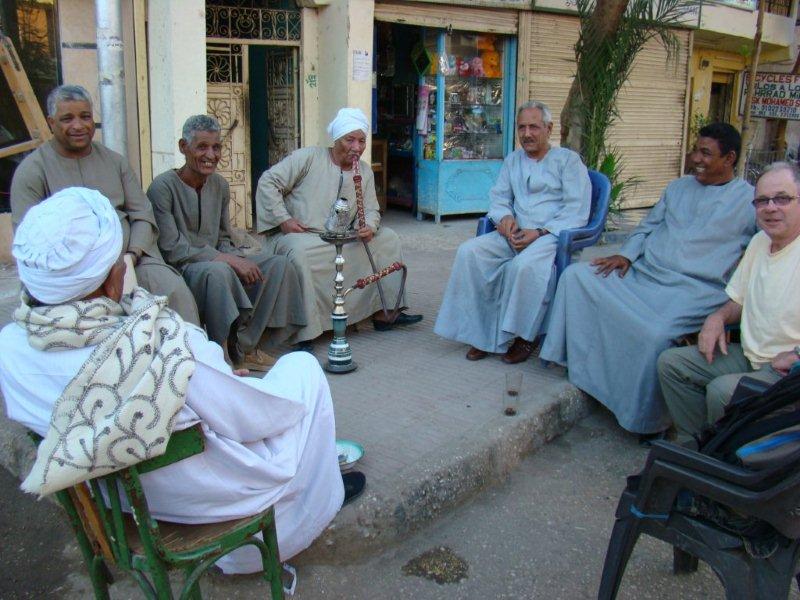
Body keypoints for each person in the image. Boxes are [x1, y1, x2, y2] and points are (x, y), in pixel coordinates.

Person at [0, 187, 361, 574]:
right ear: (111, 283)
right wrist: (230, 386)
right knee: (302, 370)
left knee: (239, 396)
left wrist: (219, 386)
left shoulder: (10, 348)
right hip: (211, 495)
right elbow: (255, 420)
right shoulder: (165, 347)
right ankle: (314, 500)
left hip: (120, 498)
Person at [539, 122, 757, 435]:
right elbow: (647, 227)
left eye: (705, 153)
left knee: (655, 334)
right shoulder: (678, 187)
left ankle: (640, 418)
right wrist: (626, 255)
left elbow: (767, 246)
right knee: (577, 277)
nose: (695, 157)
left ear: (730, 158)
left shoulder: (749, 202)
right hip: (644, 274)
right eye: (696, 149)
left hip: (694, 290)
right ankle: (581, 369)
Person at [9, 84, 199, 324]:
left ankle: (192, 358)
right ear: (51, 122)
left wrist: (131, 255)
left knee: (173, 289)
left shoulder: (115, 162)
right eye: (67, 118)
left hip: (130, 261)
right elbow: (30, 238)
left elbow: (142, 214)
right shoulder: (33, 170)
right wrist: (78, 272)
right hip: (69, 274)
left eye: (85, 117)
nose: (78, 125)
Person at [434, 100, 591, 364]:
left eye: (534, 127)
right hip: (513, 234)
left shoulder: (568, 161)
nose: (527, 134)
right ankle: (481, 334)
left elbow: (577, 209)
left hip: (549, 236)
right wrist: (504, 218)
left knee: (523, 268)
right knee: (469, 253)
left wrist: (540, 232)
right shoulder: (513, 160)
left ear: (549, 128)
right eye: (522, 128)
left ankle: (524, 336)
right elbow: (499, 197)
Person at [147, 115, 306, 369]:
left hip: (215, 261)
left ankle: (245, 345)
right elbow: (172, 248)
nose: (211, 154)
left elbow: (222, 236)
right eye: (202, 147)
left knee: (278, 265)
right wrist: (227, 260)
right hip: (182, 268)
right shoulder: (162, 188)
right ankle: (220, 355)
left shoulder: (219, 185)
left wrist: (236, 258)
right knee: (220, 271)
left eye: (216, 147)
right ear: (183, 147)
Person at [658, 162, 800, 441]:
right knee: (672, 365)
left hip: (789, 372)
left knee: (723, 391)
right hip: (752, 355)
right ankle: (696, 448)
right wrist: (718, 318)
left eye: (782, 198)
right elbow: (737, 300)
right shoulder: (761, 242)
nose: (770, 207)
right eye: (761, 201)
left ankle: (720, 462)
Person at [255, 107, 422, 343]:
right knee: (298, 253)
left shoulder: (364, 171)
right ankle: (305, 331)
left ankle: (384, 311)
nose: (356, 147)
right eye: (349, 140)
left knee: (388, 238)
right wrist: (284, 219)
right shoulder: (308, 158)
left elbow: (372, 209)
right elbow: (268, 182)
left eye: (361, 141)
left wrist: (370, 226)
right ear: (336, 139)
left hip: (344, 235)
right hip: (304, 234)